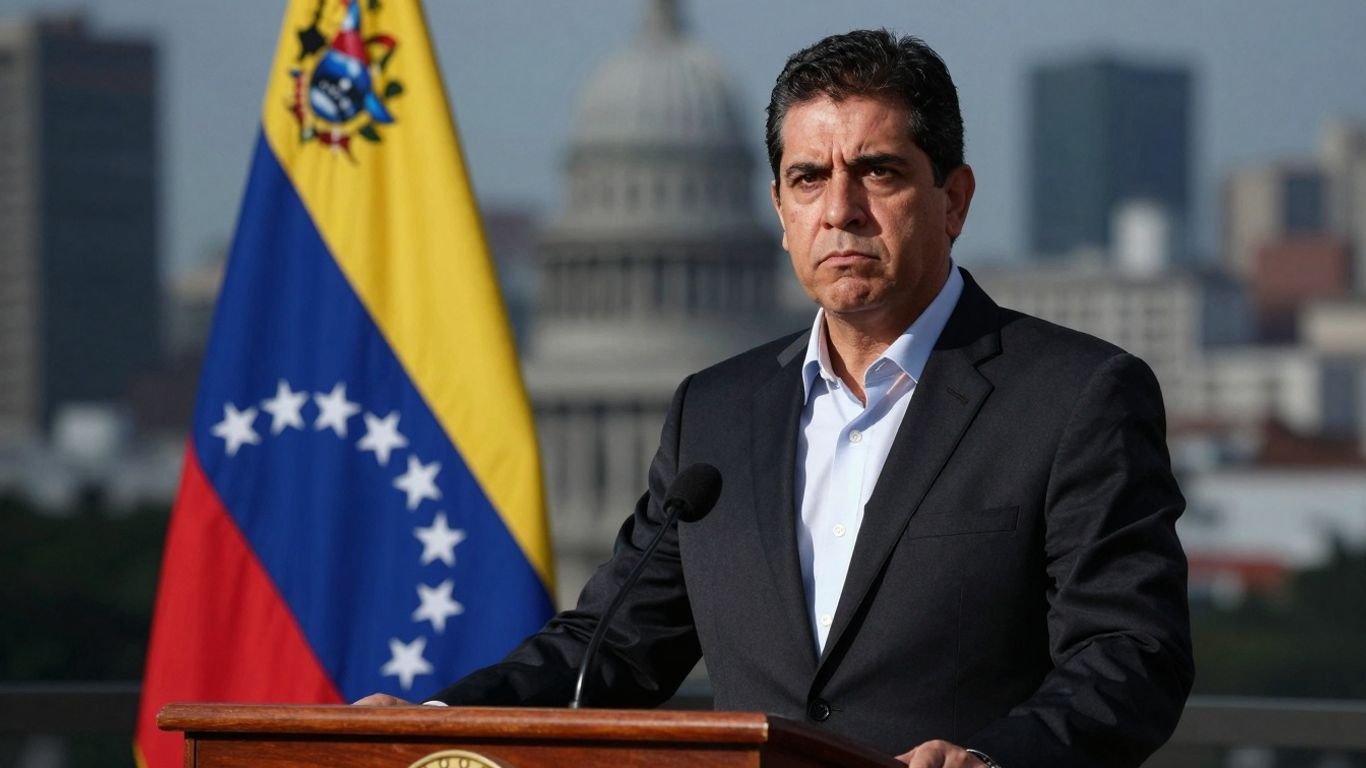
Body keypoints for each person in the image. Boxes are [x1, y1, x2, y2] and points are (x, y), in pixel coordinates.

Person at [359, 29, 1194, 768]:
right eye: (808, 178)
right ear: (779, 211)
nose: (841, 211)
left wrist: (992, 759)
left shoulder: (1074, 396)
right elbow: (611, 647)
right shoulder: (716, 415)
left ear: (955, 199)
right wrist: (434, 721)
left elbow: (1130, 652)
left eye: (878, 172)